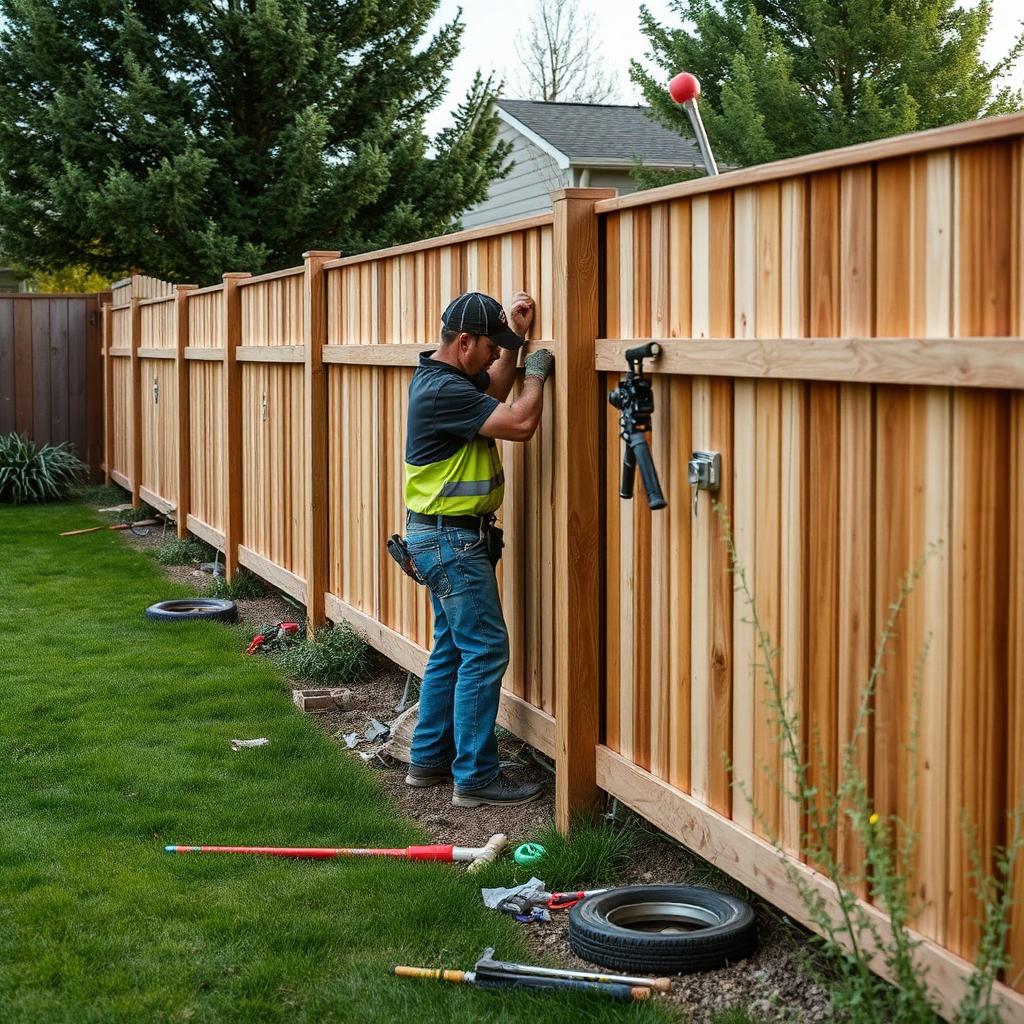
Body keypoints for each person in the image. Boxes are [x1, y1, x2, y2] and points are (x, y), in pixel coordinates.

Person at [401, 290, 554, 807]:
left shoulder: (446, 379)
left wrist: (513, 335)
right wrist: (536, 372)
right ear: (464, 341)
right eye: (490, 344)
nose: (495, 355)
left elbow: (495, 382)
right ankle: (475, 777)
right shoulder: (445, 392)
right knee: (485, 650)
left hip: (439, 536)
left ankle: (428, 761)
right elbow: (522, 422)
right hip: (451, 541)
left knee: (452, 648)